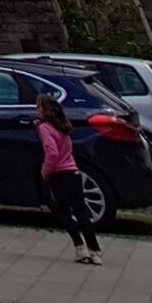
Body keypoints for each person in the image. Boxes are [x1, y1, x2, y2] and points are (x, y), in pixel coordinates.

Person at [35, 91, 101, 264]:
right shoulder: (63, 126)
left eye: (39, 107)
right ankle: (95, 250)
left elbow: (52, 151)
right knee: (81, 212)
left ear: (44, 110)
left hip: (59, 174)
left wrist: (46, 169)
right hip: (73, 172)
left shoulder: (45, 128)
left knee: (63, 212)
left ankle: (80, 247)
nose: (37, 110)